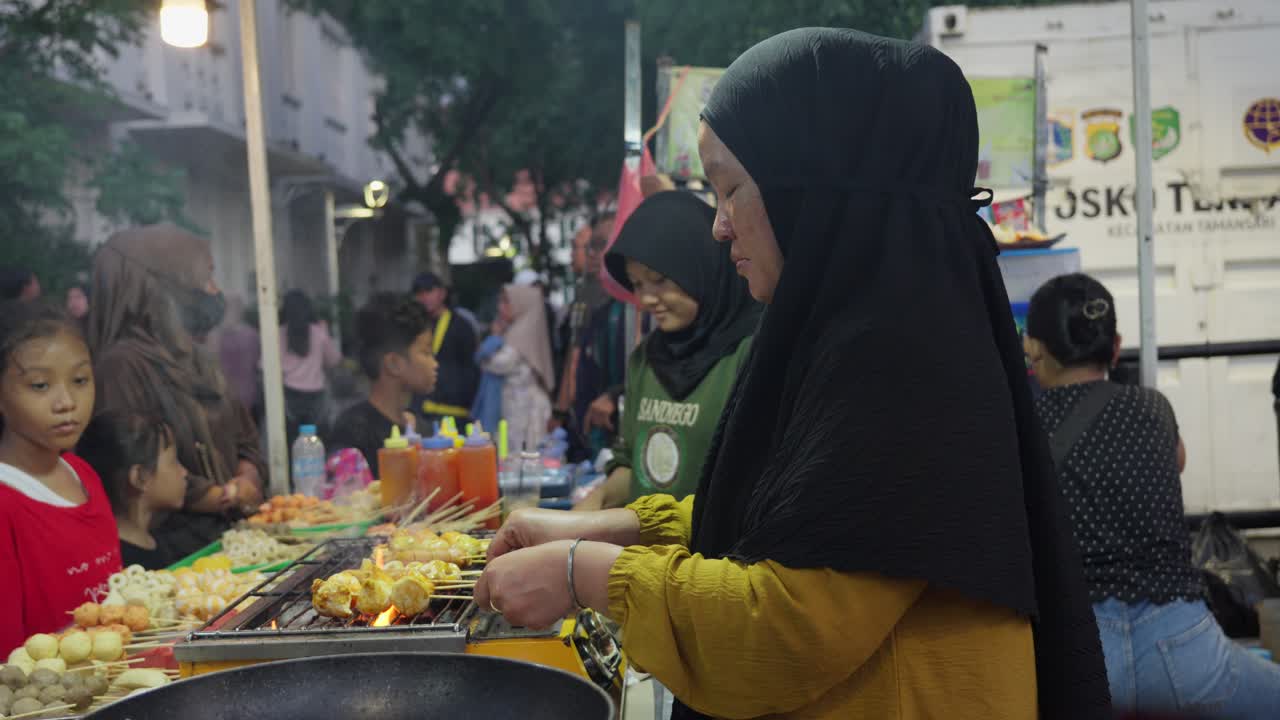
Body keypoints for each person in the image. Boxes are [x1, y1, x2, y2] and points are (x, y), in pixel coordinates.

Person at [475, 29, 1111, 720]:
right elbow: (779, 513)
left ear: (812, 195)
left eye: (731, 190)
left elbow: (787, 627)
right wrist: (603, 530)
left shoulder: (902, 361)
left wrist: (582, 576)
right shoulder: (845, 336)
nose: (718, 229)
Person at [1025, 273, 1280, 717]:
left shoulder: (1022, 425)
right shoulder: (1152, 406)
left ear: (1034, 351)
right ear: (1116, 345)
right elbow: (1177, 460)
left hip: (1078, 655)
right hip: (1183, 645)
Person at [87, 223, 265, 560]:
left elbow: (246, 437)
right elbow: (131, 463)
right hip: (174, 552)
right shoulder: (122, 366)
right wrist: (223, 495)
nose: (215, 291)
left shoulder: (200, 358)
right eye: (206, 279)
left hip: (233, 540)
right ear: (166, 288)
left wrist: (247, 475)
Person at [576, 191, 760, 511]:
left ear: (700, 267)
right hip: (642, 556)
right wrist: (595, 504)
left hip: (711, 558)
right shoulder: (646, 359)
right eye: (637, 285)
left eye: (659, 280)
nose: (646, 300)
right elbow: (630, 464)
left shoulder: (749, 355)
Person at [0, 300, 120, 652]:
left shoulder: (82, 474)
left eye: (80, 380)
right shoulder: (6, 504)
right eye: (40, 385)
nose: (66, 402)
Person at [329, 294, 438, 477]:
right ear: (394, 364)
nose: (434, 364)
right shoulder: (354, 433)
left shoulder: (425, 431)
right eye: (426, 352)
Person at [78, 411, 189, 569]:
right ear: (140, 478)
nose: (184, 472)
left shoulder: (157, 541)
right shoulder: (120, 566)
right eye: (173, 462)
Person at [480, 285, 555, 454]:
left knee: (524, 453)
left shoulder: (521, 333)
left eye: (507, 301)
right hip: (516, 404)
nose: (501, 307)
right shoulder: (515, 329)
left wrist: (493, 338)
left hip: (525, 407)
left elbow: (499, 364)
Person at [411, 272, 479, 430]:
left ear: (442, 293)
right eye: (419, 294)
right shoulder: (417, 327)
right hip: (423, 410)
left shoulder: (462, 326)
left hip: (454, 411)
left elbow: (471, 370)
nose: (424, 297)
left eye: (429, 291)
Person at [279, 289, 341, 445]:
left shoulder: (278, 334)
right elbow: (334, 360)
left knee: (293, 446)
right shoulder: (318, 332)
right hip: (315, 396)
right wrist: (325, 332)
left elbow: (265, 367)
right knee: (316, 446)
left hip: (288, 396)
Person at [213, 293, 261, 422]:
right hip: (242, 395)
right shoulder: (251, 334)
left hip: (229, 396)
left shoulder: (217, 335)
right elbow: (258, 363)